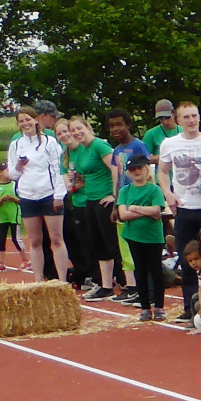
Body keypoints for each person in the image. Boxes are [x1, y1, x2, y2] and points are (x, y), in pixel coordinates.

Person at [4, 105, 67, 285]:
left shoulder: (49, 142)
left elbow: (58, 169)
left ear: (36, 120)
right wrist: (18, 166)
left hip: (49, 194)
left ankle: (62, 280)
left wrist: (59, 195)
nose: (25, 124)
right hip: (28, 197)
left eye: (28, 119)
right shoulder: (16, 145)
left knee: (56, 239)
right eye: (21, 121)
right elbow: (12, 174)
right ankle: (38, 280)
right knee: (35, 241)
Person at [62, 115, 116, 295]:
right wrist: (75, 180)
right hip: (90, 200)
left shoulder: (100, 145)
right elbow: (87, 176)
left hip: (104, 199)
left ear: (87, 127)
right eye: (73, 130)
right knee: (98, 244)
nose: (77, 133)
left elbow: (116, 168)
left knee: (112, 243)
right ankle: (106, 286)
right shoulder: (83, 150)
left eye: (79, 128)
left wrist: (114, 195)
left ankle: (130, 284)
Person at [114, 152, 169, 321]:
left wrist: (135, 208)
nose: (136, 171)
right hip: (134, 236)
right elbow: (123, 214)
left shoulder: (154, 189)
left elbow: (156, 211)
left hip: (153, 236)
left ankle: (159, 307)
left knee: (156, 270)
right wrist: (146, 211)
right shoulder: (125, 190)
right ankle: (145, 307)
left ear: (146, 169)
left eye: (139, 168)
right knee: (140, 271)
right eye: (132, 169)